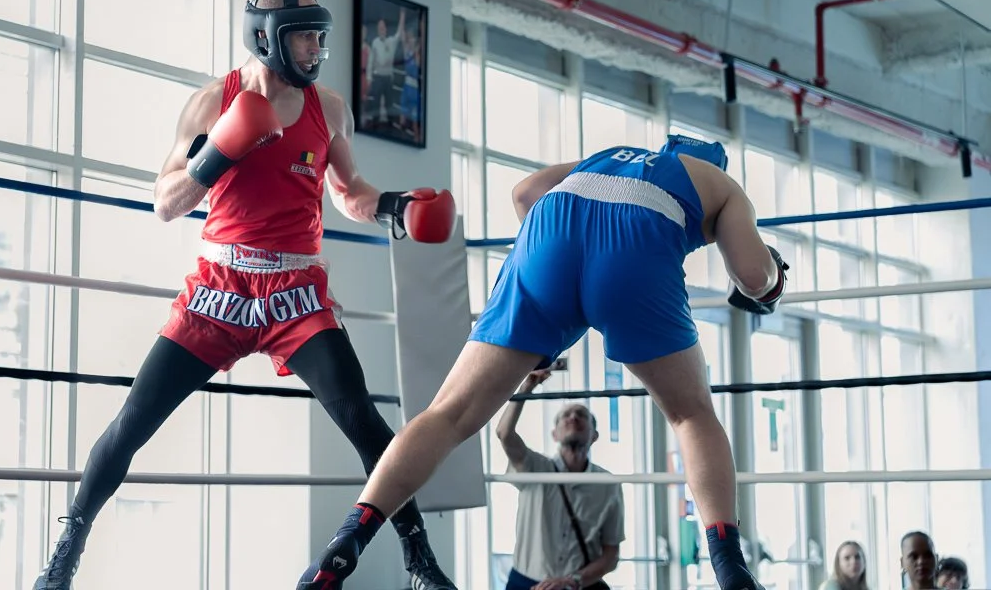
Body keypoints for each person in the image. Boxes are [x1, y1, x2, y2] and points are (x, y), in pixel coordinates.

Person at [31, 0, 458, 590]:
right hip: (219, 288)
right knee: (133, 422)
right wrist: (218, 154)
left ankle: (420, 562)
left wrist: (390, 204)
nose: (316, 49)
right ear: (266, 36)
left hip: (296, 291)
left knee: (365, 421)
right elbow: (164, 203)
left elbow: (348, 192)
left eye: (319, 36)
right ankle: (66, 553)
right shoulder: (213, 103)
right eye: (305, 35)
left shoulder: (329, 108)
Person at [297, 136, 790, 590]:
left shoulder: (615, 156)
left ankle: (348, 539)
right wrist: (774, 274)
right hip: (637, 246)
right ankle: (731, 568)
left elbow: (523, 193)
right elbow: (752, 277)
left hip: (549, 232)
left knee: (446, 415)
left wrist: (561, 285)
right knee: (690, 415)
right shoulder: (720, 184)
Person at [495, 370, 623, 590]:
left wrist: (573, 580)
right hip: (526, 583)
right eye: (566, 416)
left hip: (581, 584)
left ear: (594, 436)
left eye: (581, 415)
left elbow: (611, 555)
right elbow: (504, 433)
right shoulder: (535, 468)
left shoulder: (607, 483)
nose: (573, 417)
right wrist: (526, 388)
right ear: (555, 434)